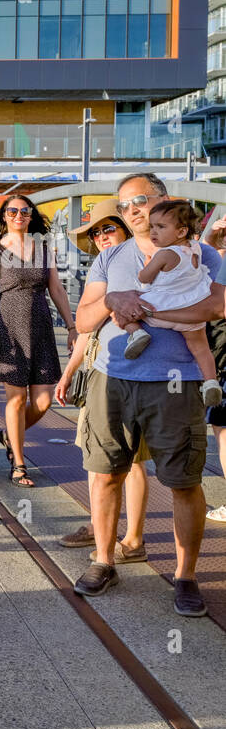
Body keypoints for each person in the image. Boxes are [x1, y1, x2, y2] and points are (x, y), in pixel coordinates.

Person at [72, 172, 223, 615]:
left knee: (182, 481)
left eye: (141, 200)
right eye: (123, 206)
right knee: (104, 473)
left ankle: (186, 576)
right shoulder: (112, 256)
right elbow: (83, 320)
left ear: (165, 201)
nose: (132, 210)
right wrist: (114, 300)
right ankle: (105, 559)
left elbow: (219, 305)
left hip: (176, 382)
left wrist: (154, 310)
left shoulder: (203, 253)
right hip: (111, 378)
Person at [56, 200, 149, 558]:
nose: (100, 237)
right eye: (95, 232)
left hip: (135, 372)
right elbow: (86, 326)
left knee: (136, 460)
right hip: (100, 371)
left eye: (107, 228)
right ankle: (100, 528)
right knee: (98, 456)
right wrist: (69, 371)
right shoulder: (104, 267)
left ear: (126, 227)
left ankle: (134, 540)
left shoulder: (142, 263)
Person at [0, 195, 75, 487]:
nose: (19, 215)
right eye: (12, 211)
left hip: (40, 324)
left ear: (31, 215)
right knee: (17, 397)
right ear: (4, 216)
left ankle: (10, 434)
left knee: (44, 401)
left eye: (24, 211)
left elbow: (57, 289)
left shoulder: (44, 249)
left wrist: (72, 326)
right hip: (7, 324)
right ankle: (19, 463)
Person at [124, 201, 222, 407]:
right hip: (192, 305)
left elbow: (145, 277)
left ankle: (137, 333)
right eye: (152, 226)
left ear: (181, 231)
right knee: (200, 346)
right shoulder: (195, 247)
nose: (153, 232)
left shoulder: (165, 254)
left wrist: (149, 261)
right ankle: (211, 381)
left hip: (161, 306)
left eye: (161, 227)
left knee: (123, 311)